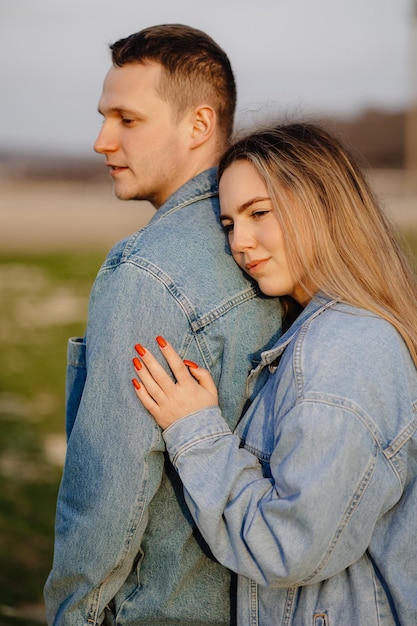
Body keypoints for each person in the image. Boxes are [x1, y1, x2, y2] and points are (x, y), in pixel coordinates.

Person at [131, 123, 417, 625]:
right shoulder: (332, 330)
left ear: (325, 204)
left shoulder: (346, 351)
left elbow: (287, 547)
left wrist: (195, 431)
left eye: (258, 213)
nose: (240, 242)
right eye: (227, 224)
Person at [44, 24, 282, 626]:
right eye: (104, 117)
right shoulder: (278, 250)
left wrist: (75, 613)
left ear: (199, 125)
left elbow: (106, 493)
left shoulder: (145, 271)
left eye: (127, 120)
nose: (101, 140)